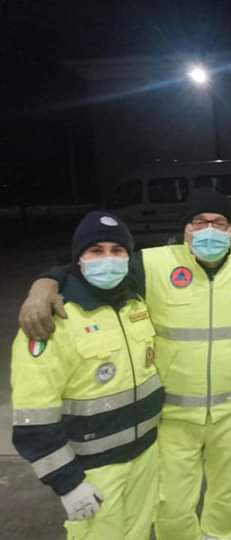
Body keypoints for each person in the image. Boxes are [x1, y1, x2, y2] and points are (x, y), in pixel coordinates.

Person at [19, 191, 231, 540]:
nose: (208, 229)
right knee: (172, 504)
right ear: (184, 230)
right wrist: (43, 285)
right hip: (172, 417)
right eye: (198, 222)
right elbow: (87, 264)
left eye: (218, 222)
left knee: (227, 495)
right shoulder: (153, 265)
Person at [11, 211, 164, 539]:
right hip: (93, 470)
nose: (108, 259)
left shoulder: (136, 303)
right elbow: (33, 420)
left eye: (117, 250)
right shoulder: (52, 320)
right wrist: (68, 483)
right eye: (96, 251)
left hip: (146, 456)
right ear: (78, 259)